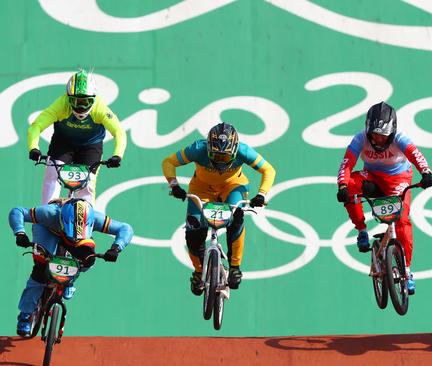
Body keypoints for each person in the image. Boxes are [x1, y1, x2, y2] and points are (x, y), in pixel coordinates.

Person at [162, 122, 275, 294]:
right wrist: (174, 185)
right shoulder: (198, 148)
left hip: (233, 186)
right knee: (193, 230)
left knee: (236, 217)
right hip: (202, 188)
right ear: (208, 149)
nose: (220, 161)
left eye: (225, 157)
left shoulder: (243, 151)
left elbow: (268, 170)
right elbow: (169, 162)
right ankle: (199, 271)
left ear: (235, 150)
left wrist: (262, 194)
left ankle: (235, 267)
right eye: (216, 156)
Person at [336, 101, 432, 295]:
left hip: (398, 179)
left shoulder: (400, 138)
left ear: (392, 131)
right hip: (372, 178)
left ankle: (406, 270)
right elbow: (347, 164)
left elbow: (416, 155)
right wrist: (343, 185)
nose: (377, 139)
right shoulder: (360, 139)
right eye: (374, 134)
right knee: (350, 186)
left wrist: (426, 172)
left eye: (383, 135)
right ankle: (362, 230)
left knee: (403, 220)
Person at [9, 198, 134, 337]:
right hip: (48, 230)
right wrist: (20, 233)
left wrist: (116, 248)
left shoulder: (95, 218)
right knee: (40, 270)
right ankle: (25, 315)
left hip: (79, 241)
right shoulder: (50, 213)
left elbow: (125, 228)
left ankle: (70, 279)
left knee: (88, 259)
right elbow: (18, 211)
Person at [27, 69, 127, 204]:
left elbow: (119, 132)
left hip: (90, 146)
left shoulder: (100, 109)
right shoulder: (61, 105)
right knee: (53, 174)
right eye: (75, 101)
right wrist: (33, 148)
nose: (80, 107)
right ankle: (46, 213)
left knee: (88, 184)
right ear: (68, 98)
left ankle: (85, 221)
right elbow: (36, 126)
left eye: (86, 102)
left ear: (94, 99)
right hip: (63, 143)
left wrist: (117, 155)